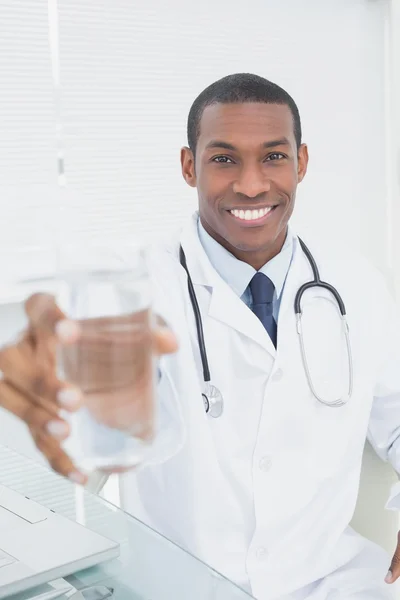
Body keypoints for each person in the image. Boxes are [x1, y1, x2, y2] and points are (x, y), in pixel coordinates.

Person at [1, 73, 400, 600]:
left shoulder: (358, 285)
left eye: (274, 157)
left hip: (335, 581)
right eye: (224, 159)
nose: (253, 185)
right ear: (189, 166)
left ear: (302, 162)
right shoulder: (136, 287)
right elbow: (79, 400)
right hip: (177, 584)